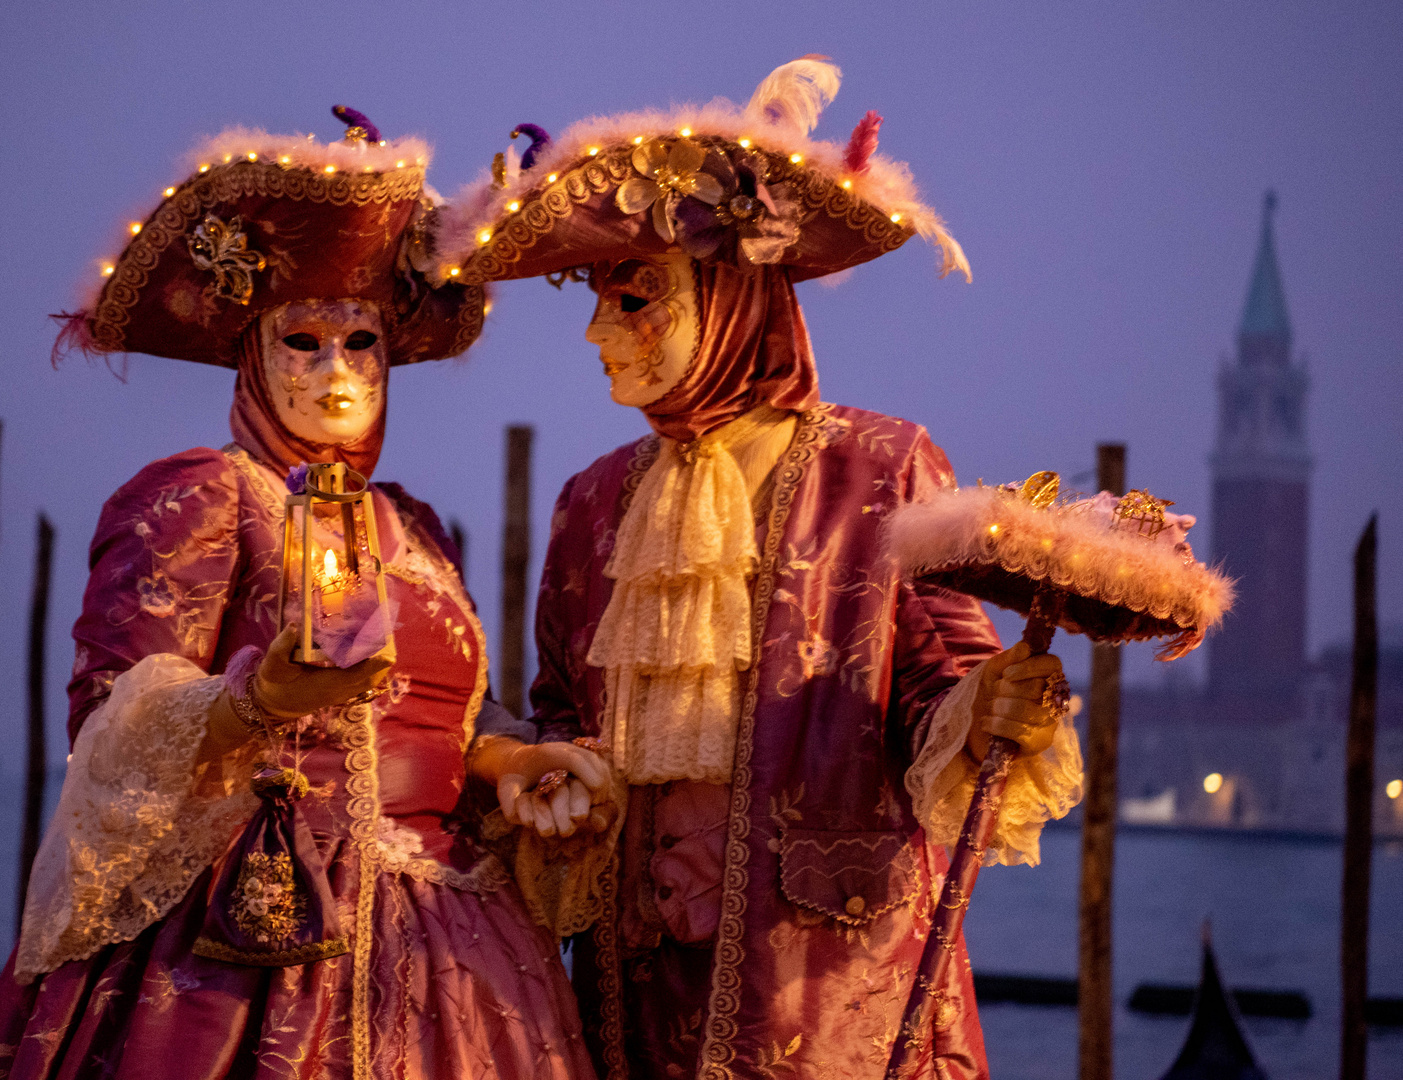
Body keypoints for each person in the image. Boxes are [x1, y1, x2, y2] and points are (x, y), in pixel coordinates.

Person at [446, 61, 1084, 1079]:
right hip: (634, 993)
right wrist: (553, 784)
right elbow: (564, 707)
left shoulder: (880, 469)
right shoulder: (589, 503)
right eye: (599, 300)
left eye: (634, 297)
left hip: (829, 990)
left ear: (732, 296)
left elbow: (938, 690)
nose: (596, 331)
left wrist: (988, 707)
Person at [0, 110, 598, 1080]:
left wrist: (510, 760)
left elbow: (440, 720)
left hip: (457, 942)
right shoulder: (201, 497)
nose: (338, 370)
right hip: (252, 933)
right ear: (252, 356)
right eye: (304, 341)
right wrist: (255, 701)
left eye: (362, 344)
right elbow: (111, 728)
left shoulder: (413, 526)